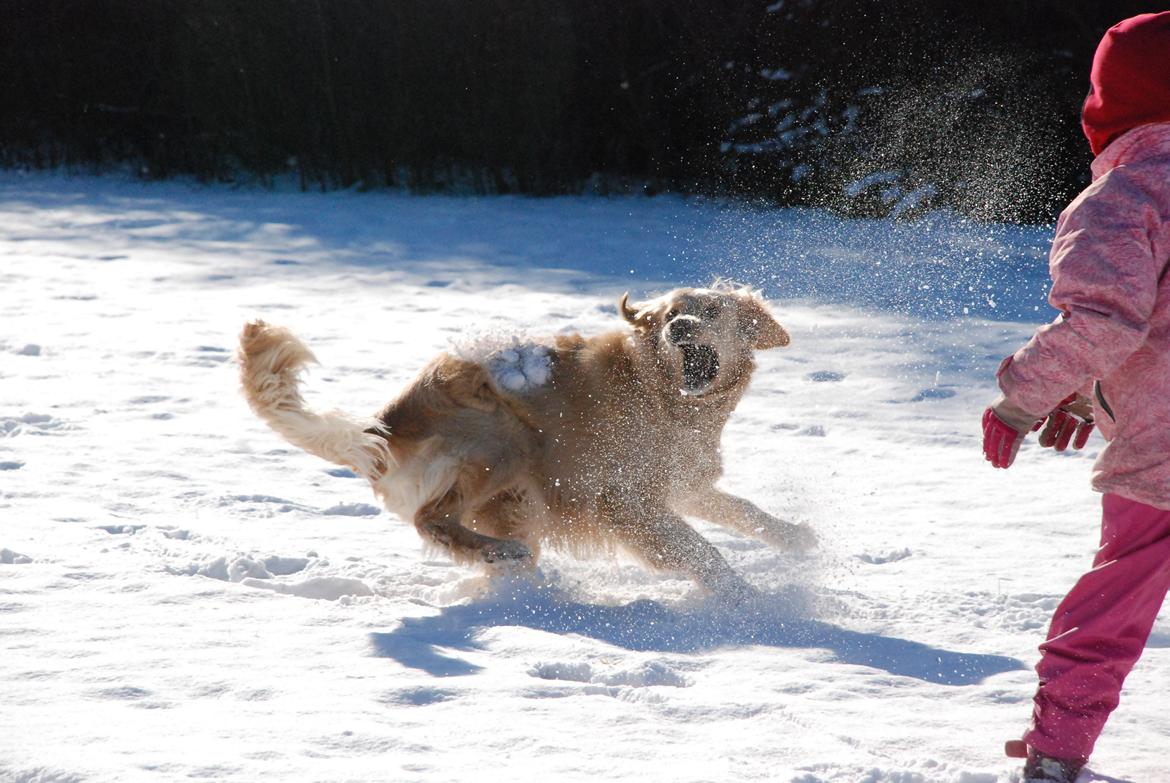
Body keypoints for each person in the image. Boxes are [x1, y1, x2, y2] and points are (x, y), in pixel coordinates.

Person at [981, 11, 1170, 783]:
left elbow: (1106, 320)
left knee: (1114, 595)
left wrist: (1024, 396)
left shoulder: (1127, 192)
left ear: (1109, 98)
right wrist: (1086, 388)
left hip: (1163, 459)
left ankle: (1059, 749)